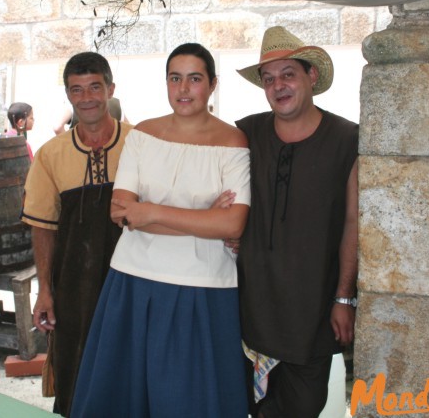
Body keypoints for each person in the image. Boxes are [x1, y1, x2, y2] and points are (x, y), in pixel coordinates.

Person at [71, 43, 251, 417]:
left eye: (195, 79)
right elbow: (122, 213)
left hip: (204, 285)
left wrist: (150, 212)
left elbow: (233, 222)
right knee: (125, 396)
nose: (184, 89)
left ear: (213, 84)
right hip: (134, 280)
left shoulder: (233, 141)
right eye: (175, 78)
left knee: (190, 399)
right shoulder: (143, 135)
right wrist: (204, 220)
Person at [234, 26, 359, 418]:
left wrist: (344, 297)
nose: (278, 86)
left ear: (312, 76)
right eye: (269, 79)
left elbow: (354, 223)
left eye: (288, 74)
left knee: (302, 409)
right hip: (250, 312)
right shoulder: (244, 133)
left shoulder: (347, 139)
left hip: (313, 314)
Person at [21, 52, 133, 417]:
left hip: (133, 281)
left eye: (95, 87)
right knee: (76, 368)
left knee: (130, 366)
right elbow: (43, 228)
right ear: (68, 95)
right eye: (77, 89)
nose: (87, 98)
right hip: (73, 285)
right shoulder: (50, 156)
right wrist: (45, 292)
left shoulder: (140, 143)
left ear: (110, 89)